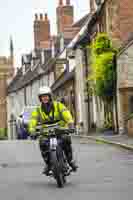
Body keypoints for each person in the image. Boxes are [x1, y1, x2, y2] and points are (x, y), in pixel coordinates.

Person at [28, 86, 78, 175]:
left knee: (66, 139)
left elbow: (66, 114)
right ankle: (48, 164)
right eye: (42, 97)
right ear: (40, 98)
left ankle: (70, 161)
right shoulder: (38, 110)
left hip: (60, 131)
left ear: (50, 96)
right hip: (46, 133)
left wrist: (70, 124)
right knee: (42, 143)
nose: (45, 98)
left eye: (46, 96)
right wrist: (32, 130)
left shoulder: (58, 106)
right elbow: (33, 120)